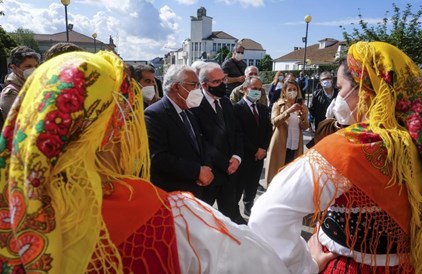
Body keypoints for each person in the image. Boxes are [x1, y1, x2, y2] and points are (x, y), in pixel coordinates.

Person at [0, 51, 290, 273]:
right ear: (107, 131)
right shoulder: (167, 216)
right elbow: (263, 264)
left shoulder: (12, 211)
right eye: (127, 115)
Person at [248, 41, 422, 273]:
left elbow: (267, 215)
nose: (337, 97)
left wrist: (302, 264)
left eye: (340, 88)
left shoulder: (351, 146)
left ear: (366, 91)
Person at [144, 65, 213, 199]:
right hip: (171, 195)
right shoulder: (154, 114)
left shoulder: (189, 112)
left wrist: (207, 168)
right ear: (176, 87)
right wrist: (196, 171)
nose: (197, 89)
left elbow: (200, 145)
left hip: (194, 191)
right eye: (193, 84)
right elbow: (158, 157)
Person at [191, 62, 246, 224]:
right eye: (216, 82)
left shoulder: (226, 102)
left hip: (230, 172)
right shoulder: (194, 106)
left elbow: (237, 132)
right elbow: (201, 141)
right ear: (204, 85)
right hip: (209, 174)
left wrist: (237, 157)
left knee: (231, 217)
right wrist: (225, 164)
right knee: (201, 220)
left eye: (223, 80)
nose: (222, 84)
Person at [233, 76, 272, 216]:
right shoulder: (236, 109)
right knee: (239, 185)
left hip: (259, 156)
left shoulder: (263, 109)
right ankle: (234, 211)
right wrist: (254, 150)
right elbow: (239, 134)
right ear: (245, 89)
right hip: (244, 155)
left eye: (259, 89)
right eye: (254, 89)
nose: (257, 92)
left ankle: (249, 206)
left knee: (253, 184)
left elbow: (269, 130)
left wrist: (263, 148)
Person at [265, 79, 309, 187]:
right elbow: (274, 121)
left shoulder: (302, 107)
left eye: (294, 89)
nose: (292, 92)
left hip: (295, 145)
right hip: (281, 143)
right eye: (289, 89)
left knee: (290, 174)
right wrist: (288, 112)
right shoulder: (278, 105)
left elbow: (305, 126)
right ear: (284, 91)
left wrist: (303, 116)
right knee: (278, 174)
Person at [0, 46, 40, 122]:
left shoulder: (36, 86)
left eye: (36, 66)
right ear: (14, 68)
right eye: (28, 66)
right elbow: (19, 123)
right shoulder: (10, 94)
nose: (33, 70)